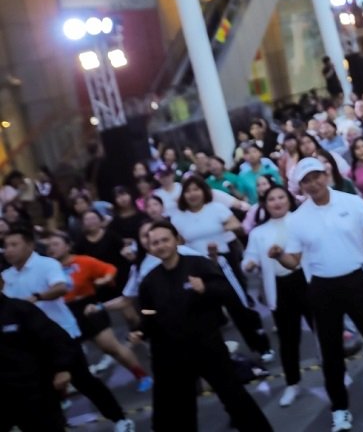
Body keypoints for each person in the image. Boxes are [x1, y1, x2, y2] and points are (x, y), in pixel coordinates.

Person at [271, 157, 363, 431]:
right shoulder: (298, 219)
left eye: (316, 176)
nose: (313, 184)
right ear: (301, 186)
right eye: (306, 181)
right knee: (330, 353)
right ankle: (340, 409)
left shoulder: (351, 202)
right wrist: (280, 255)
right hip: (322, 288)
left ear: (326, 175)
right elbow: (293, 261)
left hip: (356, 281)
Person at [132, 221, 272, 431]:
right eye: (155, 243)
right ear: (150, 247)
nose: (161, 246)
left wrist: (205, 288)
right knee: (182, 409)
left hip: (208, 347)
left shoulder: (198, 265)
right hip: (174, 354)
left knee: (234, 397)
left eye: (165, 240)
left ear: (177, 240)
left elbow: (226, 291)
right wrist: (140, 332)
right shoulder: (149, 281)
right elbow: (149, 315)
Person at [1, 226, 134, 431]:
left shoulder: (47, 264)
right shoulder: (6, 276)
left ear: (29, 244)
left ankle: (119, 418)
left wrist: (37, 297)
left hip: (61, 337)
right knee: (43, 390)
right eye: (6, 246)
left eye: (14, 244)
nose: (8, 250)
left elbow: (61, 287)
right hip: (30, 345)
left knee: (84, 381)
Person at [43, 231, 152, 391]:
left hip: (88, 307)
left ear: (67, 246)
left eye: (56, 244)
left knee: (110, 347)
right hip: (63, 310)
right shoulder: (47, 268)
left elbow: (109, 268)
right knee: (67, 355)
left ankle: (142, 375)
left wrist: (105, 278)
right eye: (49, 246)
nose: (51, 248)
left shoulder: (83, 261)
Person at [242, 185, 313, 408]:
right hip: (280, 287)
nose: (277, 202)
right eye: (272, 199)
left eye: (281, 197)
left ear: (289, 199)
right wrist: (249, 264)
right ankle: (292, 383)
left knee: (323, 331)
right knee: (288, 339)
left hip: (307, 281)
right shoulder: (258, 233)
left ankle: (337, 371)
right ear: (265, 204)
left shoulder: (302, 221)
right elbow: (249, 258)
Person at [0, 279, 89, 432]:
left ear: (1, 283)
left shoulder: (20, 309)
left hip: (34, 389)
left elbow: (55, 339)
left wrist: (62, 369)